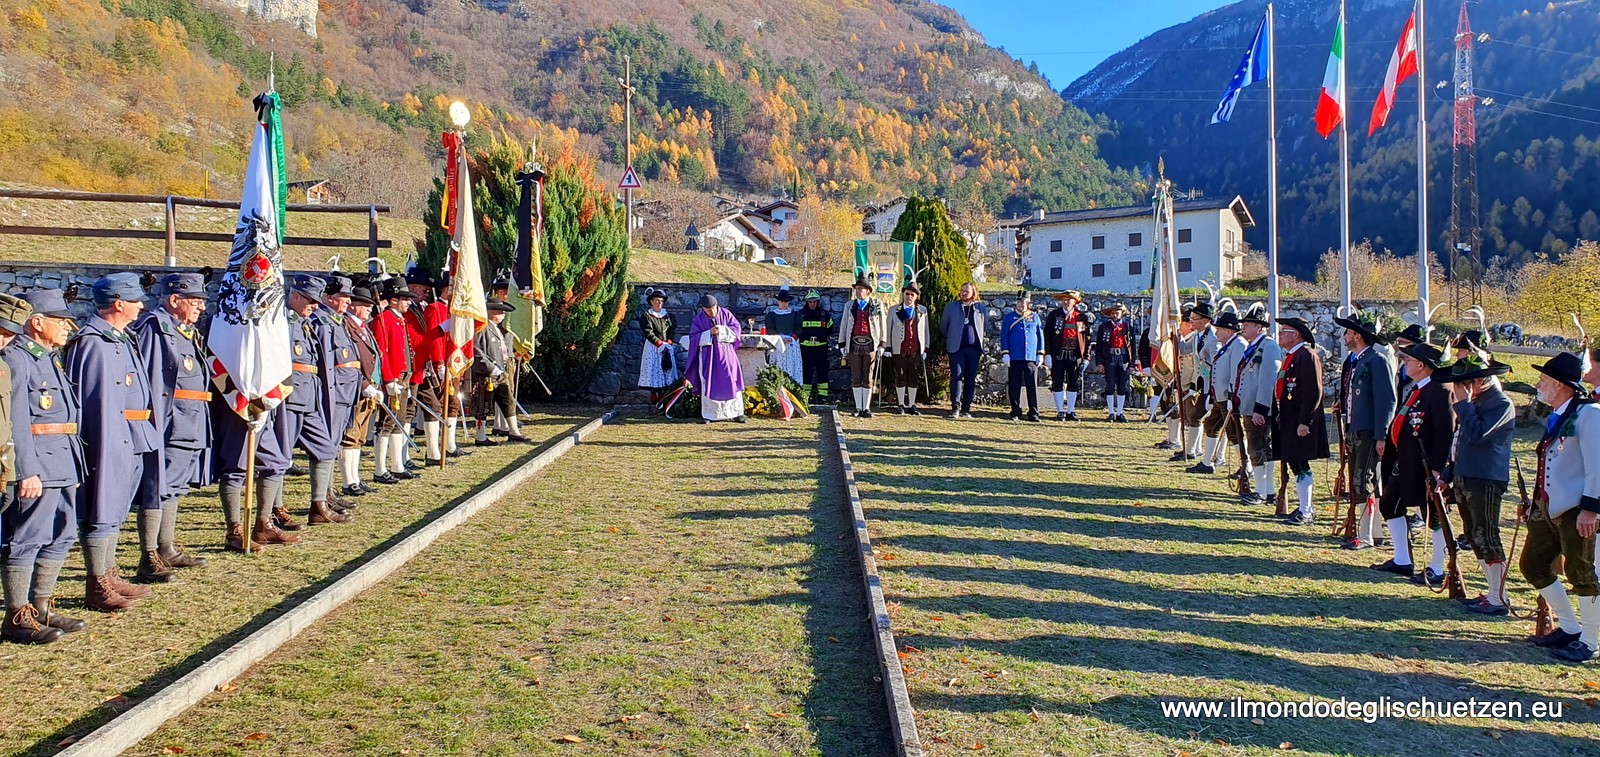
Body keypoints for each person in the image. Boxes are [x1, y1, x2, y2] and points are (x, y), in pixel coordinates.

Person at [65, 274, 171, 596]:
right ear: (118, 304)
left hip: (134, 435)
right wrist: (103, 446)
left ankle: (109, 574)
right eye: (135, 300)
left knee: (116, 508)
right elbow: (94, 404)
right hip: (110, 437)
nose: (141, 306)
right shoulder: (92, 343)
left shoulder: (121, 338)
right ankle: (98, 582)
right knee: (101, 506)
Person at [1, 293, 87, 639]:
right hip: (38, 462)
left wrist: (73, 463)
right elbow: (17, 421)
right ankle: (17, 615)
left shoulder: (49, 357)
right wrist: (27, 470)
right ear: (37, 322)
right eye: (59, 320)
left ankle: (41, 606)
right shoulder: (17, 358)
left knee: (63, 533)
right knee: (27, 537)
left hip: (62, 459)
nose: (67, 326)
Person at [1518, 351, 1600, 662]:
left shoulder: (1590, 414)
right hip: (1548, 506)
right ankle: (1570, 627)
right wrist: (1535, 501)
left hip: (1576, 508)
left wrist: (1590, 509)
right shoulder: (1561, 414)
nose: (1538, 384)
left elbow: (1597, 465)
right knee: (1533, 565)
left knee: (1581, 572)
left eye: (1543, 380)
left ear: (1560, 385)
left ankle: (1590, 641)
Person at [131, 273, 211, 572]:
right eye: (195, 301)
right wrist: (153, 424)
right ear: (175, 300)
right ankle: (150, 554)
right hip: (170, 422)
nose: (201, 308)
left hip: (189, 420)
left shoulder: (181, 330)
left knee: (174, 488)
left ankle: (166, 547)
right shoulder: (156, 328)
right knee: (158, 487)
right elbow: (151, 380)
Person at [259, 275, 351, 530]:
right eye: (310, 301)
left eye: (316, 301)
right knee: (281, 456)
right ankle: (275, 510)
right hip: (288, 397)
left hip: (309, 396)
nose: (314, 306)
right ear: (295, 296)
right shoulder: (284, 322)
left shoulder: (305, 324)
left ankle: (319, 506)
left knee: (326, 449)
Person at [1437, 355, 1515, 615]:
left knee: (1487, 536)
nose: (1457, 388)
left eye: (1462, 383)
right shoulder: (1473, 404)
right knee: (1473, 535)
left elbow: (1477, 434)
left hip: (1485, 478)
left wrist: (1463, 404)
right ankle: (1493, 593)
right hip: (1465, 475)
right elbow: (1458, 442)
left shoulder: (1500, 404)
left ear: (1479, 381)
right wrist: (1447, 474)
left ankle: (1499, 598)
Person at [1371, 343, 1454, 580]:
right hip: (1406, 461)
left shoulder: (1440, 391)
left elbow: (1445, 433)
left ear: (1422, 365)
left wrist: (1437, 469)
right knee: (1390, 504)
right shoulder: (1419, 388)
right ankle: (1402, 560)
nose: (1405, 363)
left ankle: (1437, 567)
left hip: (1426, 466)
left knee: (1435, 515)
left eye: (1409, 360)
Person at [1331, 312, 1398, 551]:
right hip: (1355, 428)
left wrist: (1381, 435)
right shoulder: (1357, 361)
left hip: (1369, 431)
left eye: (1348, 333)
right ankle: (1375, 532)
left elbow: (1387, 401)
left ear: (1357, 336)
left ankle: (1365, 535)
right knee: (1362, 481)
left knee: (1364, 481)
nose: (1344, 337)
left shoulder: (1376, 361)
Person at [1273, 317, 1330, 526]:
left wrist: (1305, 421)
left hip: (1300, 420)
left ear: (1295, 334)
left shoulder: (1306, 355)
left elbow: (1313, 391)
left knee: (1300, 462)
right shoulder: (1292, 356)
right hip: (1289, 418)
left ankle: (1306, 510)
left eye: (1284, 330)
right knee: (1295, 462)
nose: (1280, 334)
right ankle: (1304, 507)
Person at [314, 276, 362, 517]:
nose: (349, 301)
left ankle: (328, 492)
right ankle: (324, 496)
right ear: (330, 297)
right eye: (344, 296)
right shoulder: (323, 322)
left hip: (346, 391)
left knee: (333, 445)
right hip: (334, 392)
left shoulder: (337, 320)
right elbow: (325, 363)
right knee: (327, 446)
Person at [372, 277, 423, 484]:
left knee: (398, 421)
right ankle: (380, 468)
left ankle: (397, 465)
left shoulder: (400, 320)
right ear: (393, 300)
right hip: (392, 377)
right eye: (405, 299)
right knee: (386, 422)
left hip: (403, 376)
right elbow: (382, 352)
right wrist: (388, 379)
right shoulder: (383, 320)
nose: (409, 303)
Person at [1232, 305, 1282, 505]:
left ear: (1259, 327)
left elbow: (1268, 380)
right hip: (1249, 407)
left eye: (1248, 324)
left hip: (1259, 409)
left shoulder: (1268, 347)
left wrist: (1260, 409)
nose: (1243, 327)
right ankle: (1266, 491)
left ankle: (1263, 492)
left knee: (1258, 448)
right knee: (1258, 447)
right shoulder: (1254, 346)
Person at [339, 283, 384, 497]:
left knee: (360, 435)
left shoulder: (363, 327)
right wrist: (364, 384)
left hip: (369, 384)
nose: (368, 309)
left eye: (369, 305)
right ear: (353, 306)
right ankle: (348, 481)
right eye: (364, 305)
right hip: (356, 386)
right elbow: (350, 358)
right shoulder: (346, 325)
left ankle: (355, 477)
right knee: (351, 434)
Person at [1190, 308, 1243, 475]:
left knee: (1234, 432)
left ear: (1228, 331)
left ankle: (1246, 466)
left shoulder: (1238, 345)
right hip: (1219, 395)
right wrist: (1212, 395)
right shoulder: (1228, 345)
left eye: (1219, 329)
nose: (1216, 331)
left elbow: (1236, 373)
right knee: (1212, 426)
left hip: (1228, 396)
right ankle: (1207, 463)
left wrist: (1232, 395)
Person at [472, 299, 529, 444]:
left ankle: (514, 431)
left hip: (500, 371)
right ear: (492, 312)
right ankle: (480, 436)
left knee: (508, 400)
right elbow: (476, 349)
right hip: (486, 373)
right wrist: (490, 367)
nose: (503, 315)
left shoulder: (496, 328)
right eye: (501, 312)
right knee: (483, 404)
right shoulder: (482, 327)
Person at [685, 295, 747, 424]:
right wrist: (709, 333)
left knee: (731, 379)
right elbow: (693, 338)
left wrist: (722, 330)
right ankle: (709, 415)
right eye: (708, 310)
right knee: (708, 381)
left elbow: (736, 329)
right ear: (703, 309)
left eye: (713, 309)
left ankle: (736, 413)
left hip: (727, 355)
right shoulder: (699, 320)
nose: (712, 312)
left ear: (717, 306)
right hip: (709, 357)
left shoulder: (726, 314)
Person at [838, 275, 886, 418]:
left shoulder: (877, 304)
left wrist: (882, 343)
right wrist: (842, 343)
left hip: (870, 345)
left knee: (868, 376)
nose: (858, 291)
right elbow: (844, 324)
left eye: (861, 289)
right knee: (856, 377)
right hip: (853, 344)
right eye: (857, 289)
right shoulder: (850, 305)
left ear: (868, 291)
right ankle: (858, 407)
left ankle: (866, 408)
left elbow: (882, 324)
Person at [940, 282, 990, 419]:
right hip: (956, 349)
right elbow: (944, 326)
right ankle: (955, 408)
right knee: (956, 375)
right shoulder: (951, 307)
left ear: (973, 293)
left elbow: (985, 326)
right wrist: (952, 338)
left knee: (970, 378)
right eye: (962, 290)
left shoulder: (980, 307)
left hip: (974, 349)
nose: (963, 293)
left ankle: (966, 409)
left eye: (966, 291)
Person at [1043, 291, 1090, 421]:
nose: (1066, 302)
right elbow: (1047, 335)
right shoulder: (1054, 315)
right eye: (1064, 299)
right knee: (1057, 381)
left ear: (1075, 302)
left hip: (1075, 355)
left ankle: (1070, 410)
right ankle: (1060, 411)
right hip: (1058, 354)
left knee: (1073, 382)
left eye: (1069, 300)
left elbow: (1087, 339)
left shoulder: (1081, 317)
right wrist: (1047, 354)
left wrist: (1086, 357)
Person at [1177, 303, 1216, 461]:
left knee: (1201, 418)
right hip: (1202, 384)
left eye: (1194, 319)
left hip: (1213, 386)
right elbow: (1184, 349)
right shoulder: (1196, 335)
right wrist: (1173, 334)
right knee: (1194, 416)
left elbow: (1216, 363)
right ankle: (1192, 450)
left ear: (1205, 320)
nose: (1191, 321)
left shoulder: (1213, 338)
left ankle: (1205, 454)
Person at [1001, 291, 1044, 422]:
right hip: (1015, 356)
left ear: (1029, 303)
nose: (1021, 305)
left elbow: (1040, 336)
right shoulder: (1009, 317)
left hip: (1030, 356)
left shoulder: (1035, 317)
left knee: (1032, 386)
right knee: (1014, 385)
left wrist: (1040, 353)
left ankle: (1033, 412)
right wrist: (1006, 353)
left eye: (1024, 302)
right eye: (1019, 302)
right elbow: (1004, 336)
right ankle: (1015, 411)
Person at [887, 282, 928, 415]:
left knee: (913, 377)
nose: (909, 297)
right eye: (907, 294)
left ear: (916, 296)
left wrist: (926, 348)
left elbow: (926, 330)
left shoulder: (922, 311)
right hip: (899, 349)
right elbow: (888, 329)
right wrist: (888, 347)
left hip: (916, 349)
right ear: (903, 294)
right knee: (900, 376)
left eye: (912, 295)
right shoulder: (894, 310)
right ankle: (900, 404)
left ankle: (912, 404)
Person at [1093, 303, 1135, 422]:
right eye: (1112, 312)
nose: (1115, 314)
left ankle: (1120, 412)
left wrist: (1132, 364)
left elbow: (1132, 347)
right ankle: (1111, 412)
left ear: (1122, 313)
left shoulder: (1128, 327)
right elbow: (1099, 347)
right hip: (1109, 358)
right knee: (1110, 386)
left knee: (1122, 386)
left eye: (1117, 312)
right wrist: (1099, 362)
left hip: (1123, 358)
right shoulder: (1104, 327)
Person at [637, 289, 679, 405]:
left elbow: (672, 329)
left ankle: (664, 395)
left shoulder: (667, 316)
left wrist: (669, 341)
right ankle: (654, 395)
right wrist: (659, 343)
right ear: (651, 301)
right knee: (654, 370)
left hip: (666, 346)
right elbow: (648, 332)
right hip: (653, 347)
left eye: (661, 301)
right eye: (657, 300)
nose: (659, 303)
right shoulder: (647, 316)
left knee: (666, 369)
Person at [796, 291, 835, 404]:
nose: (812, 304)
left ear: (818, 302)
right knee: (806, 371)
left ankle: (822, 396)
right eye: (810, 302)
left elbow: (830, 330)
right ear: (806, 302)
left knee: (822, 371)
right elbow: (797, 329)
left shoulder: (824, 314)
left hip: (820, 348)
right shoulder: (800, 314)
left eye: (814, 302)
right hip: (805, 348)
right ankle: (805, 396)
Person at [764, 285, 804, 384]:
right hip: (778, 344)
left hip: (791, 343)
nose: (784, 303)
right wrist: (780, 339)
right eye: (782, 301)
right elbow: (770, 328)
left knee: (792, 366)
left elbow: (799, 328)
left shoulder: (795, 315)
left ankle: (794, 386)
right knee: (778, 366)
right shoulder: (772, 315)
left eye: (786, 301)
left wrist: (792, 337)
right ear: (778, 302)